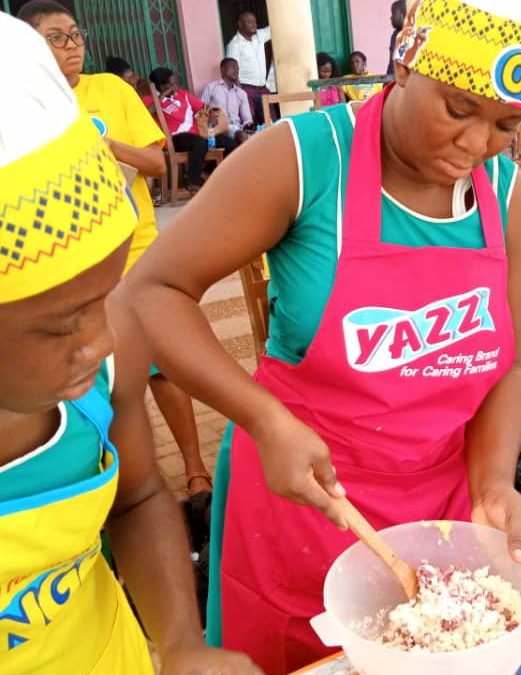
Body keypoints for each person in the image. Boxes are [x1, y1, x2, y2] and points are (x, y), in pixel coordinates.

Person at [125, 0, 521, 671]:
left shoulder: (507, 197)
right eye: (456, 109)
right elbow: (150, 292)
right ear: (405, 60)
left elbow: (506, 367)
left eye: (506, 123)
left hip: (440, 516)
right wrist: (261, 417)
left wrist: (494, 485)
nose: (476, 145)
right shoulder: (303, 160)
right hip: (299, 507)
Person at [0, 13, 262, 675]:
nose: (106, 339)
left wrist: (179, 640)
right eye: (64, 322)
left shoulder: (101, 368)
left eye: (105, 297)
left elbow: (140, 495)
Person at [19, 1, 215, 499]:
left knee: (161, 370)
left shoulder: (111, 91)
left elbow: (156, 162)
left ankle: (195, 474)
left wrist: (107, 150)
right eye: (56, 38)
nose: (73, 46)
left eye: (76, 35)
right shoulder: (20, 105)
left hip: (137, 256)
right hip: (64, 276)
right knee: (87, 387)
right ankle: (115, 490)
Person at [145, 67, 237, 189]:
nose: (176, 87)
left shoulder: (183, 95)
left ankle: (209, 173)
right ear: (162, 86)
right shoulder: (150, 100)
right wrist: (163, 96)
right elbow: (148, 112)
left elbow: (204, 107)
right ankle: (193, 181)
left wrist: (211, 114)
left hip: (198, 136)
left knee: (229, 143)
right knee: (199, 143)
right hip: (175, 139)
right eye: (172, 85)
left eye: (175, 83)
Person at [225, 10, 277, 124]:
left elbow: (276, 27)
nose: (254, 25)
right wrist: (240, 93)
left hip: (263, 88)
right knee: (250, 122)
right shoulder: (234, 45)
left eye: (255, 22)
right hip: (246, 88)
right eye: (249, 22)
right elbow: (232, 71)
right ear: (240, 24)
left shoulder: (259, 35)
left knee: (271, 122)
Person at [202, 58, 253, 145]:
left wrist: (250, 129)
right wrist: (209, 117)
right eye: (233, 67)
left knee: (257, 135)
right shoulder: (211, 88)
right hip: (218, 128)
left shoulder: (241, 93)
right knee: (241, 135)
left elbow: (247, 119)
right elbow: (201, 110)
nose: (236, 70)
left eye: (237, 68)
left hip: (236, 128)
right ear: (223, 70)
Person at [386, 0, 407, 76]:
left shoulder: (410, 34)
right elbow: (392, 63)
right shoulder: (395, 35)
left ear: (402, 16)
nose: (391, 17)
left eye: (393, 14)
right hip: (394, 79)